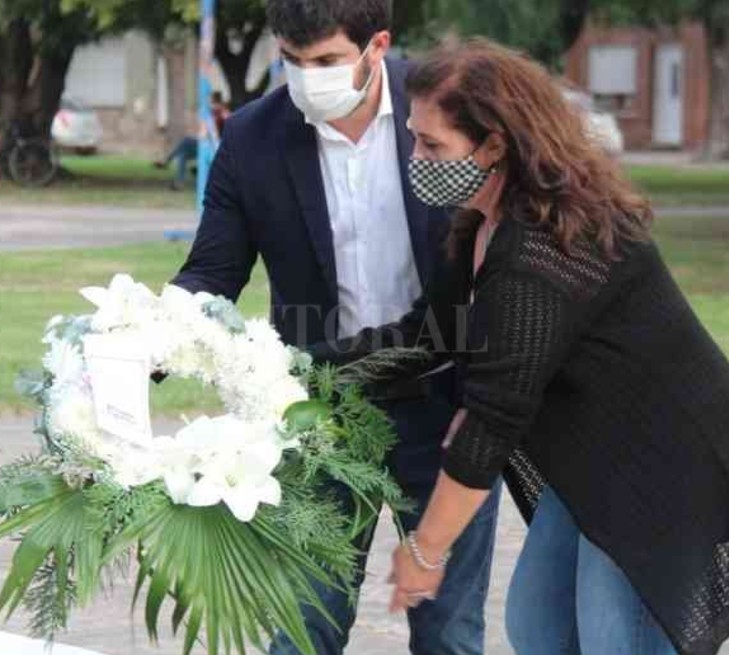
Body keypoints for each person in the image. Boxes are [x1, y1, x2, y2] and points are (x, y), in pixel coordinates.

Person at [310, 39, 729, 655]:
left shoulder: (542, 251)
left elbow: (492, 422)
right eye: (414, 138)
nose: (414, 156)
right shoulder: (481, 219)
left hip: (662, 459)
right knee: (541, 626)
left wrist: (425, 550)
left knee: (616, 639)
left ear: (495, 143)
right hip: (591, 453)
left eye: (431, 144)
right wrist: (300, 370)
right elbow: (428, 336)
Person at [170, 2, 500, 654]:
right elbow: (211, 270)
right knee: (303, 626)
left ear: (377, 45)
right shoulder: (252, 138)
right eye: (290, 60)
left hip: (445, 412)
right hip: (316, 411)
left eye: (324, 61)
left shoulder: (444, 110)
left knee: (448, 633)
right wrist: (143, 337)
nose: (304, 77)